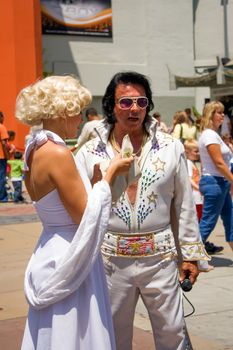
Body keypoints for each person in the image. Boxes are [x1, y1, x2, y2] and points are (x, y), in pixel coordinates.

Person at [76, 71, 209, 350]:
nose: (134, 108)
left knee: (173, 332)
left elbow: (184, 205)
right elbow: (78, 209)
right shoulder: (89, 153)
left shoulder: (171, 148)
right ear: (112, 106)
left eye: (141, 101)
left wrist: (190, 257)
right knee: (112, 335)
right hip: (109, 261)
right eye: (125, 102)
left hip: (160, 257)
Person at [15, 75, 133, 350]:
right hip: (70, 252)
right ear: (61, 111)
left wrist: (93, 183)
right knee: (75, 330)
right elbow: (85, 218)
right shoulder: (57, 153)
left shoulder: (34, 147)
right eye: (77, 111)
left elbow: (57, 202)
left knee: (52, 330)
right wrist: (111, 173)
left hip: (49, 248)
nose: (81, 118)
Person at [198, 100, 233, 255]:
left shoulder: (213, 135)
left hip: (220, 183)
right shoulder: (210, 135)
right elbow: (218, 163)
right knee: (207, 223)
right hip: (215, 183)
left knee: (230, 220)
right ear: (211, 115)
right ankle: (189, 259)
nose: (223, 115)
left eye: (223, 112)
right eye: (219, 112)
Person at [184, 139, 214, 272]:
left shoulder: (192, 163)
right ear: (187, 152)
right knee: (198, 230)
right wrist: (198, 188)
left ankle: (201, 261)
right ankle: (200, 261)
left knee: (199, 229)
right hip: (195, 200)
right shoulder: (188, 163)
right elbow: (189, 179)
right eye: (195, 151)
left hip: (198, 200)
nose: (197, 153)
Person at [0, 111, 10, 202]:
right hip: (1, 157)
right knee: (1, 176)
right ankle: (2, 197)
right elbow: (4, 143)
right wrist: (8, 154)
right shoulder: (1, 127)